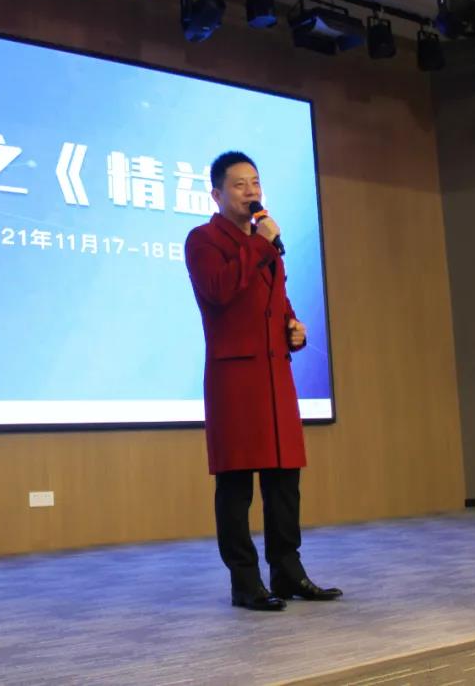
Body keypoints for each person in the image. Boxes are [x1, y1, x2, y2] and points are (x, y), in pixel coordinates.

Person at [184, 151, 342, 612]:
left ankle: (288, 571)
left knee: (283, 480)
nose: (251, 191)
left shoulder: (264, 242)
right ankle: (245, 581)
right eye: (239, 184)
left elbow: (276, 299)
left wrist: (294, 327)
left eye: (255, 182)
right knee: (236, 485)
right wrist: (260, 245)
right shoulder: (203, 240)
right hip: (235, 378)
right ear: (216, 194)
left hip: (275, 377)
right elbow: (219, 290)